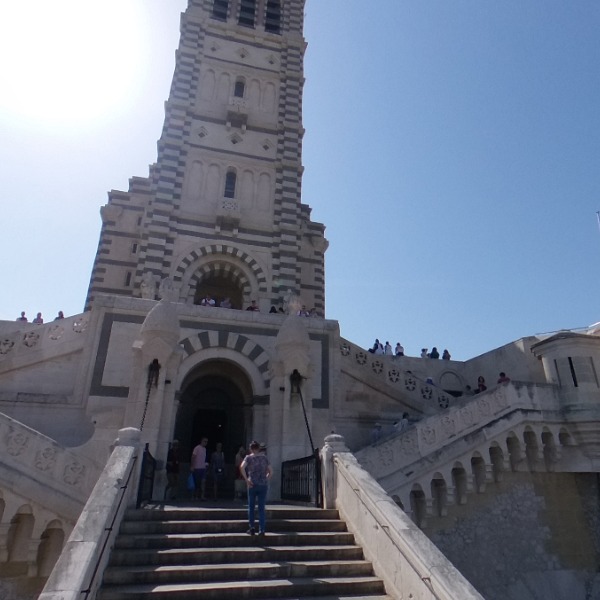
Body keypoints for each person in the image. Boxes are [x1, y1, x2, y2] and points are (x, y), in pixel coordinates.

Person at [240, 440, 272, 536]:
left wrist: (246, 479)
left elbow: (242, 467)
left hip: (252, 484)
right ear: (258, 448)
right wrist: (266, 478)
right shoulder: (264, 458)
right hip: (262, 484)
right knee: (261, 508)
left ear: (251, 449)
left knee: (251, 507)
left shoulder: (248, 458)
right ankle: (262, 530)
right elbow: (271, 471)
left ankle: (252, 528)